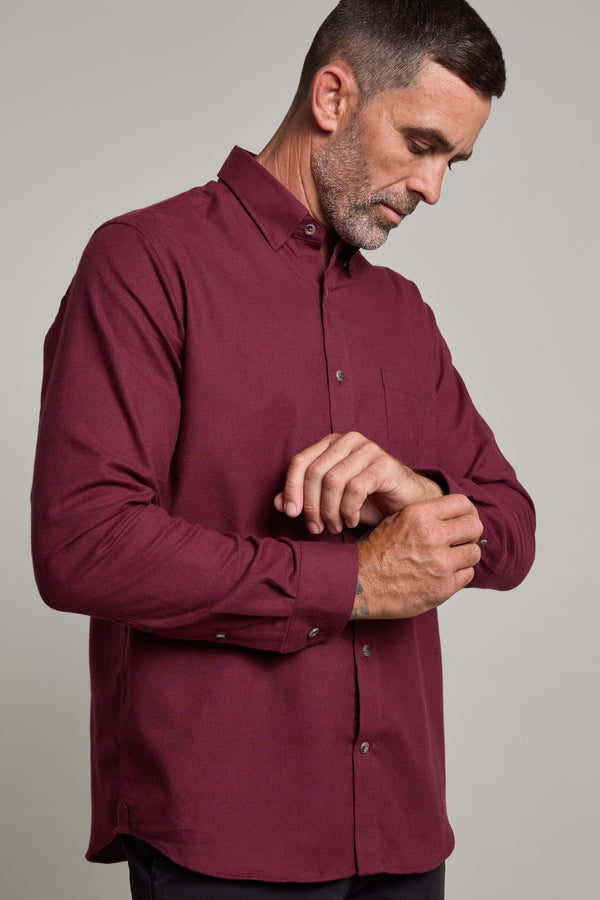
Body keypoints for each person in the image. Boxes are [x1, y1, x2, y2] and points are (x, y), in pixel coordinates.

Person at [31, 1, 535, 897]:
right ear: (333, 96)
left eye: (453, 161)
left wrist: (414, 490)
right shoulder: (144, 264)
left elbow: (513, 532)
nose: (434, 188)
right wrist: (355, 582)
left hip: (404, 837)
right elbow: (83, 544)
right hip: (225, 837)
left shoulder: (402, 314)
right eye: (421, 143)